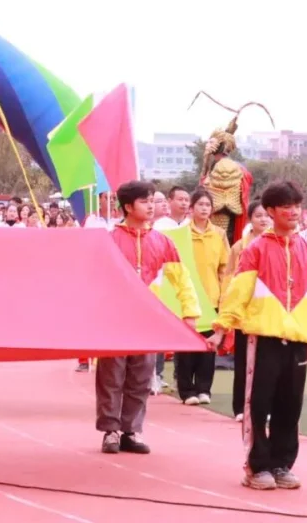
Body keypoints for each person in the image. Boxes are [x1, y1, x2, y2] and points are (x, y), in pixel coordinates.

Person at [207, 181, 307, 490]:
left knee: (290, 406)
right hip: (263, 338)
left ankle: (282, 464)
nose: (294, 212)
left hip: (297, 339)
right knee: (258, 405)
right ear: (270, 211)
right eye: (286, 207)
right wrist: (221, 328)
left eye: (297, 206)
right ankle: (257, 467)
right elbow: (238, 292)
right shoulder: (255, 249)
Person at [97, 180, 200, 454]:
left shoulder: (163, 242)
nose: (151, 207)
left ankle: (132, 430)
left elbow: (182, 280)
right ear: (128, 207)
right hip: (115, 321)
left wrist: (190, 312)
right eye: (144, 202)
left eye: (152, 201)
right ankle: (110, 430)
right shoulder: (109, 240)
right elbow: (95, 279)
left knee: (141, 377)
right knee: (111, 376)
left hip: (148, 322)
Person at [176, 188, 230, 405]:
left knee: (209, 346)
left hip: (211, 296)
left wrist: (224, 293)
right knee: (185, 346)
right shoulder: (182, 234)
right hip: (187, 297)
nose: (204, 208)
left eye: (208, 205)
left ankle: (204, 388)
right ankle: (186, 390)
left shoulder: (219, 234)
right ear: (191, 208)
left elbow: (224, 267)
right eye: (200, 204)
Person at [226, 200, 270, 422]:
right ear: (250, 219)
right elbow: (229, 279)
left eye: (266, 215)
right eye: (258, 215)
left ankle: (263, 408)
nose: (263, 219)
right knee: (244, 362)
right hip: (244, 312)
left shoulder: (278, 244)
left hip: (268, 312)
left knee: (267, 363)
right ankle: (240, 407)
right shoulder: (239, 247)